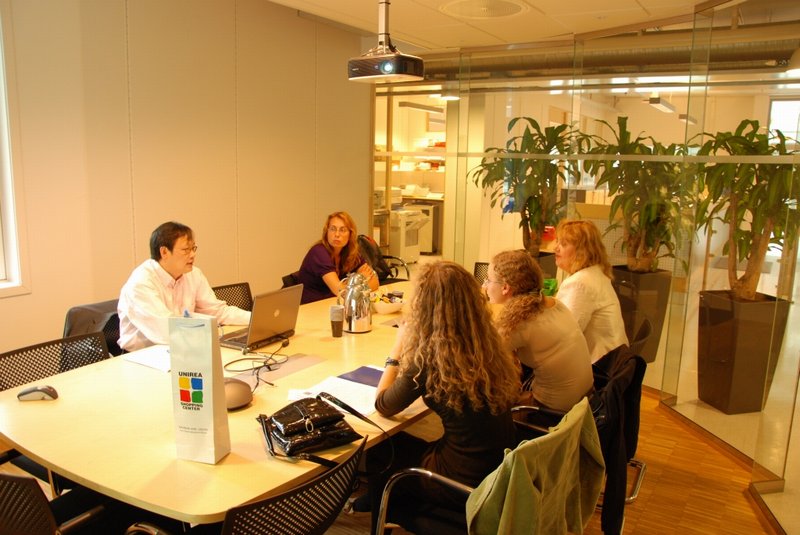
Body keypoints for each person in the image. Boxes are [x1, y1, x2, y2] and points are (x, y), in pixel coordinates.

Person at [359, 261, 521, 533]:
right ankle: (378, 501)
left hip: (463, 482)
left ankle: (385, 511)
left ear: (424, 307)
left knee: (380, 451)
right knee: (403, 442)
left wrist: (397, 349)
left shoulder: (430, 359)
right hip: (496, 467)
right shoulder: (484, 343)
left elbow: (383, 404)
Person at [486, 249, 593, 412]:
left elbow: (482, 357)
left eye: (488, 280)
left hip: (554, 410)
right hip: (585, 398)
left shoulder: (519, 322)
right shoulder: (552, 303)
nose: (484, 285)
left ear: (505, 287)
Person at [117, 221, 251, 352]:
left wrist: (255, 320)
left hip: (183, 347)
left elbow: (217, 312)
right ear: (164, 252)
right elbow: (167, 331)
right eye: (186, 250)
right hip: (143, 356)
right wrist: (207, 328)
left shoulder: (193, 274)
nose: (193, 254)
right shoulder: (141, 283)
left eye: (193, 248)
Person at [554, 219, 628, 363]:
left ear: (582, 251)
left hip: (600, 368)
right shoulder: (594, 273)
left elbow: (563, 337)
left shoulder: (580, 282)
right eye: (557, 242)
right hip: (613, 362)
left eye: (563, 244)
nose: (555, 248)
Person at [296, 211, 379, 304]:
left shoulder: (351, 252)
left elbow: (375, 282)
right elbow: (340, 291)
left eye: (342, 230)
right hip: (311, 307)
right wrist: (359, 278)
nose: (337, 234)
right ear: (326, 232)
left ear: (350, 234)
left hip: (334, 304)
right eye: (333, 229)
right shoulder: (319, 252)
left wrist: (350, 285)